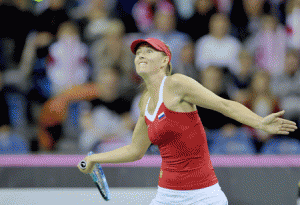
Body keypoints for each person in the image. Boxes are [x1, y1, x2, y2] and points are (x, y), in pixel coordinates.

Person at [78, 38, 297, 204]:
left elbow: (224, 105)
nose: (141, 56)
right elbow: (135, 150)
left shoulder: (177, 84)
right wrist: (96, 158)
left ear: (164, 61)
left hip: (203, 196)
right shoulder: (144, 101)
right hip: (166, 196)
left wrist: (260, 122)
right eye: (138, 54)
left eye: (148, 52)